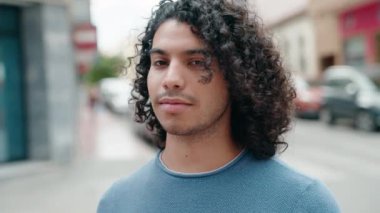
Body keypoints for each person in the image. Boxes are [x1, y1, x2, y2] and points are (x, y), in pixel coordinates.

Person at [97, 0, 340, 212]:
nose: (171, 79)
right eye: (160, 62)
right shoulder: (116, 203)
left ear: (238, 77)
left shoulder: (302, 204)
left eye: (196, 62)